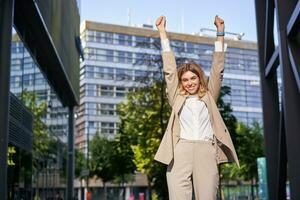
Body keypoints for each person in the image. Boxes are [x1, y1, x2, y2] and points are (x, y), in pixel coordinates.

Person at [154, 15, 239, 200]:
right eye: (185, 80)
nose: (189, 83)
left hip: (206, 151)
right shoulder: (176, 97)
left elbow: (218, 69)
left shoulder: (209, 96)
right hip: (180, 151)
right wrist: (162, 33)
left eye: (193, 78)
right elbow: (169, 71)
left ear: (200, 78)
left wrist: (220, 33)